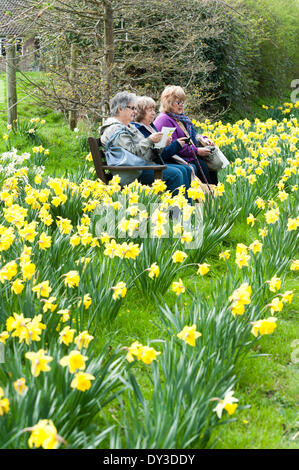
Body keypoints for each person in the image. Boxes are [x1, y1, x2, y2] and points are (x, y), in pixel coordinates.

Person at [99, 91, 191, 196]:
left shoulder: (129, 126)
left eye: (135, 108)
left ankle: (184, 210)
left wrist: (161, 144)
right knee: (176, 174)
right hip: (132, 172)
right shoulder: (114, 128)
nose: (135, 111)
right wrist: (150, 140)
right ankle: (177, 211)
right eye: (132, 108)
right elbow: (132, 153)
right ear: (120, 109)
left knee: (183, 170)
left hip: (141, 166)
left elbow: (146, 151)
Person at [154, 85, 218, 186]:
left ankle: (213, 197)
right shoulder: (164, 119)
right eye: (178, 102)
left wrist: (204, 140)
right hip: (176, 159)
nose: (181, 105)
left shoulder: (181, 118)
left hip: (190, 156)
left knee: (212, 170)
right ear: (168, 102)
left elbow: (193, 135)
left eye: (182, 102)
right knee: (202, 167)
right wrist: (197, 151)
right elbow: (174, 145)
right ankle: (206, 199)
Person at [131, 95, 192, 193]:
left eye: (154, 110)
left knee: (186, 169)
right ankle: (176, 206)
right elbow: (151, 154)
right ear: (141, 112)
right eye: (150, 110)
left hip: (154, 163)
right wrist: (174, 145)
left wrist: (167, 143)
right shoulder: (138, 129)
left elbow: (158, 151)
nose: (153, 113)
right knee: (178, 172)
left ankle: (186, 205)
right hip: (146, 166)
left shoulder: (151, 127)